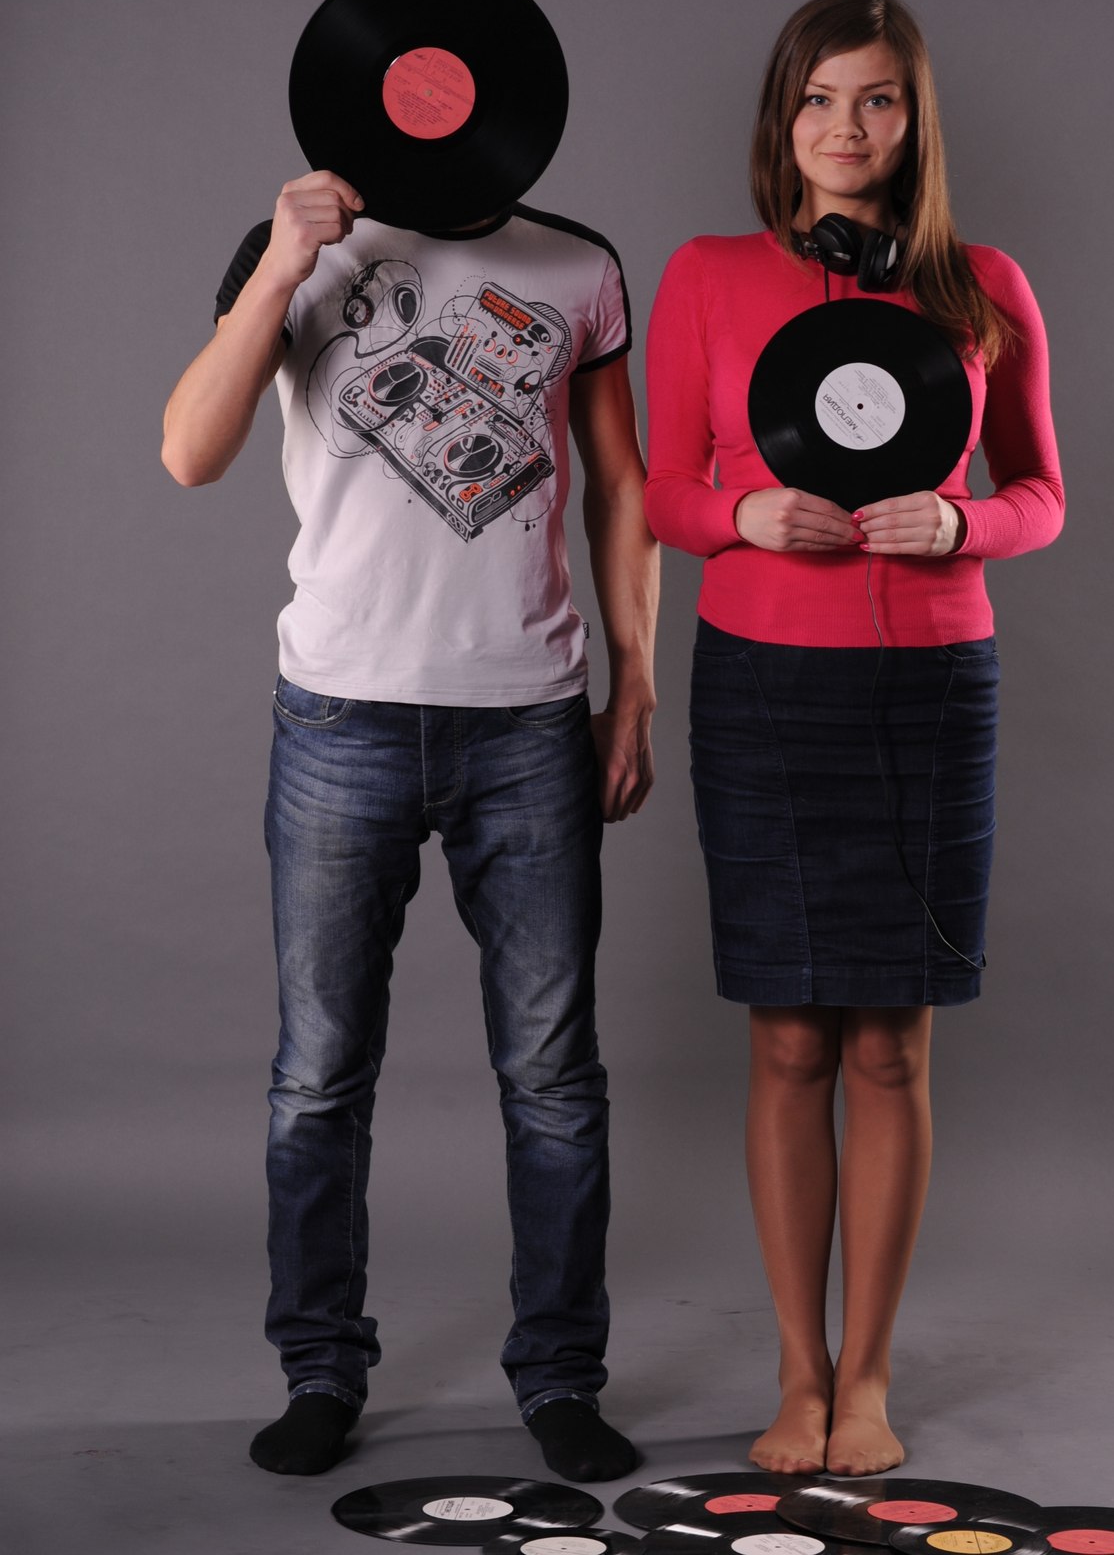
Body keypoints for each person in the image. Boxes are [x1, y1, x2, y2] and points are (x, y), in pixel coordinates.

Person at [162, 138, 658, 1482]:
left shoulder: (579, 266)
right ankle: (320, 1371)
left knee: (554, 1077)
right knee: (319, 1075)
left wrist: (634, 690)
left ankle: (560, 1377)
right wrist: (283, 262)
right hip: (341, 718)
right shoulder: (298, 251)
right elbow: (189, 451)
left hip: (529, 722)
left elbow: (625, 488)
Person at [644, 0, 1063, 1478]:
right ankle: (798, 1373)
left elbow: (1041, 496)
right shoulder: (707, 275)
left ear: (913, 119)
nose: (846, 127)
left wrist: (960, 522)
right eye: (819, 98)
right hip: (763, 686)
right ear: (784, 117)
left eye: (877, 98)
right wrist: (741, 513)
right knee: (787, 1039)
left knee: (891, 1044)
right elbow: (661, 489)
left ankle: (869, 1377)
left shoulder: (984, 287)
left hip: (931, 690)